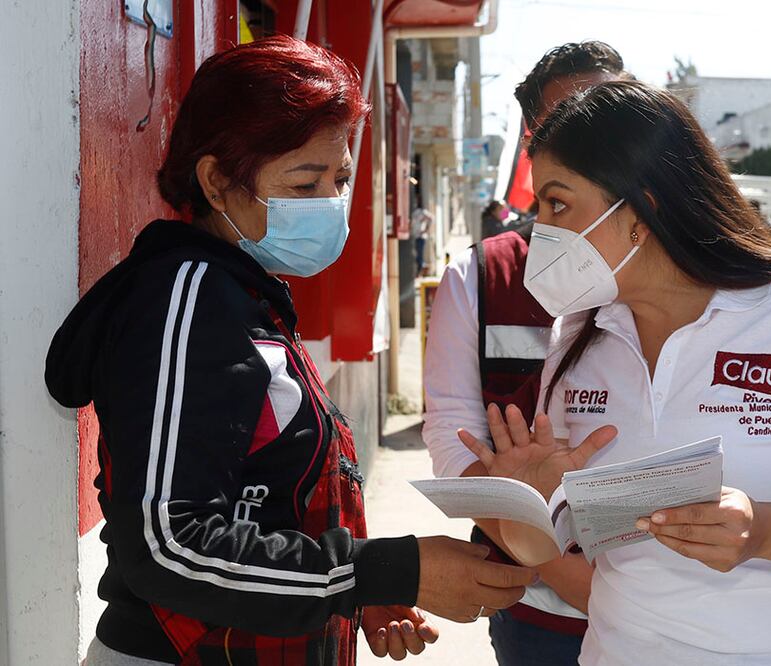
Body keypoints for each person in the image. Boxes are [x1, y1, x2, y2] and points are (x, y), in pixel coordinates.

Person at [44, 37, 533, 666]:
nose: (331, 204)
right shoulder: (187, 298)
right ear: (217, 181)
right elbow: (169, 544)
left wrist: (353, 594)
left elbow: (263, 502)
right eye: (304, 184)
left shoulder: (250, 296)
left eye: (341, 179)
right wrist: (382, 571)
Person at [458, 80, 771, 666]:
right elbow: (565, 553)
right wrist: (529, 506)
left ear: (641, 209)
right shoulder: (577, 335)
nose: (536, 229)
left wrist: (762, 530)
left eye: (557, 203)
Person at [423, 41, 629, 666]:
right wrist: (558, 563)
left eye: (614, 114)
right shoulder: (482, 278)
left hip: (679, 608)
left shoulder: (686, 274)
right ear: (534, 143)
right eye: (571, 120)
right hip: (537, 613)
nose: (596, 138)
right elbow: (450, 438)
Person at [412, 205, 433, 276]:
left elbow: (431, 219)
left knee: (419, 255)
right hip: (415, 236)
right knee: (416, 255)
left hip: (420, 237)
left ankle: (420, 272)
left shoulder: (423, 212)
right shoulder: (415, 212)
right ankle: (419, 271)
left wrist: (426, 230)